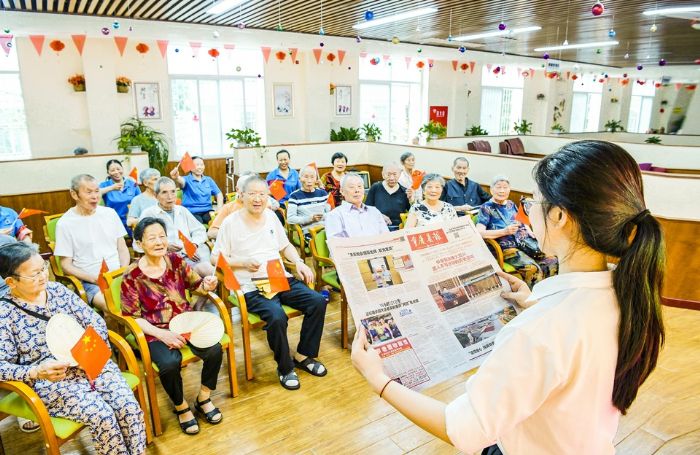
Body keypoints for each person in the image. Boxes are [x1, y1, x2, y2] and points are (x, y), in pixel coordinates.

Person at [351, 140, 666, 454]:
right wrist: (532, 303)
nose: (528, 211)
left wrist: (377, 378)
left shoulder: (537, 331)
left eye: (532, 203)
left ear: (559, 216)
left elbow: (461, 428)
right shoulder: (629, 294)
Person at [0, 242, 147, 455]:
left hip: (90, 361)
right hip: (52, 380)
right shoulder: (4, 314)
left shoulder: (58, 290)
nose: (43, 276)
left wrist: (88, 348)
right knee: (102, 416)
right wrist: (36, 371)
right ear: (11, 282)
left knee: (128, 407)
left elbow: (94, 321)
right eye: (34, 275)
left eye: (43, 268)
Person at [211, 176, 328, 391]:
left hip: (279, 277)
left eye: (262, 194)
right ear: (242, 195)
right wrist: (242, 262)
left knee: (317, 301)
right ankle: (285, 368)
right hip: (251, 285)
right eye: (252, 194)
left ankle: (303, 355)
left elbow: (285, 247)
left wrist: (299, 262)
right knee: (276, 316)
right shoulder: (230, 222)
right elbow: (215, 258)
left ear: (267, 197)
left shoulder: (272, 216)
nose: (258, 199)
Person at [121, 218, 222, 435]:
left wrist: (207, 285)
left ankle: (203, 397)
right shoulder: (132, 276)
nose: (159, 242)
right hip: (154, 331)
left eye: (162, 236)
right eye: (152, 238)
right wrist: (162, 334)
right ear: (139, 243)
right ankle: (181, 406)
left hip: (185, 322)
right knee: (168, 364)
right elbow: (132, 317)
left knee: (214, 348)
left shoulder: (176, 261)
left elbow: (197, 285)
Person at [54, 174, 131, 311]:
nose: (95, 196)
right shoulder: (65, 224)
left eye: (97, 191)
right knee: (114, 308)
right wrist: (94, 279)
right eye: (88, 192)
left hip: (120, 274)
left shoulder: (110, 213)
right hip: (92, 281)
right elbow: (66, 265)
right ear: (74, 194)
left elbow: (122, 248)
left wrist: (123, 270)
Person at [476, 175, 557, 288]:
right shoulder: (486, 207)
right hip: (507, 248)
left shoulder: (510, 204)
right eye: (498, 187)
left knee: (552, 261)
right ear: (491, 189)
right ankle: (532, 299)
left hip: (525, 243)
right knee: (532, 269)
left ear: (509, 189)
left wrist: (529, 231)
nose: (502, 190)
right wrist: (504, 231)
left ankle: (548, 292)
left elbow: (521, 220)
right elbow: (479, 232)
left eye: (505, 187)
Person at [138, 177, 213, 278]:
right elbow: (140, 242)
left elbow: (199, 230)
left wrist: (193, 245)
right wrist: (166, 246)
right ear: (156, 196)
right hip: (166, 257)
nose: (170, 197)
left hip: (191, 253)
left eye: (173, 192)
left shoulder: (182, 210)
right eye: (164, 192)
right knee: (203, 272)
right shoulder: (149, 213)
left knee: (208, 270)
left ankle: (205, 286)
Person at [207, 171, 279, 240]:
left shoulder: (261, 205)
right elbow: (211, 233)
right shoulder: (228, 208)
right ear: (237, 190)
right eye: (245, 191)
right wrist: (233, 234)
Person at [325, 173, 389, 239]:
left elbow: (386, 237)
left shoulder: (374, 211)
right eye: (351, 187)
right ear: (342, 191)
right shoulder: (335, 215)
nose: (357, 190)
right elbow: (336, 245)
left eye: (359, 186)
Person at [170, 156, 223, 225]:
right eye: (197, 165)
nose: (200, 167)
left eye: (202, 164)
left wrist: (219, 210)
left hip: (207, 211)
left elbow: (219, 194)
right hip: (192, 212)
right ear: (190, 168)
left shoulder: (208, 180)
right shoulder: (186, 179)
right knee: (198, 226)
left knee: (217, 222)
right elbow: (180, 181)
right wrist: (176, 177)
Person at [286, 165, 330, 238]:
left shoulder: (323, 193)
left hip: (326, 229)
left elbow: (330, 214)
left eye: (312, 177)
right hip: (309, 232)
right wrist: (310, 219)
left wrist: (322, 217)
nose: (309, 181)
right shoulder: (294, 196)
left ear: (316, 179)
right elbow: (290, 219)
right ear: (299, 179)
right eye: (306, 177)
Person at [99, 159, 142, 235]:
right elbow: (95, 193)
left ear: (122, 169)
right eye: (112, 170)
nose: (116, 172)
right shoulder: (104, 185)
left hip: (132, 222)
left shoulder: (133, 184)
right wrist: (111, 187)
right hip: (113, 223)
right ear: (108, 173)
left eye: (118, 169)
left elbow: (140, 202)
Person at [365, 163, 411, 231]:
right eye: (388, 174)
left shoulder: (405, 191)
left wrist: (412, 200)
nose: (392, 178)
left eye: (395, 174)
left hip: (399, 228)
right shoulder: (376, 187)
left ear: (399, 174)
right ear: (383, 175)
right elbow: (366, 209)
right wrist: (379, 216)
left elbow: (412, 212)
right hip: (378, 227)